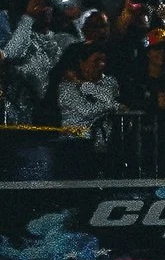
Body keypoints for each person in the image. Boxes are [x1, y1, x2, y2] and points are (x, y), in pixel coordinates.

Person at [46, 44, 119, 181]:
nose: (101, 65)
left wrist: (82, 84)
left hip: (103, 146)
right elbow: (86, 111)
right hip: (73, 146)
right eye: (96, 60)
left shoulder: (109, 82)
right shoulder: (66, 87)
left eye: (104, 61)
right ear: (81, 62)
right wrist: (113, 106)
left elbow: (108, 97)